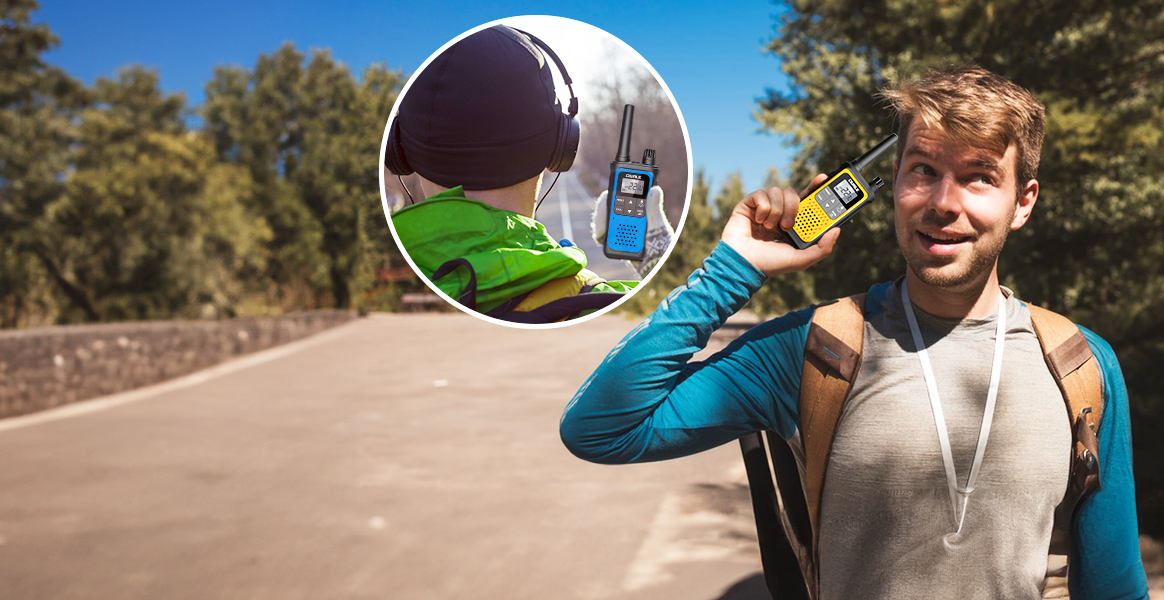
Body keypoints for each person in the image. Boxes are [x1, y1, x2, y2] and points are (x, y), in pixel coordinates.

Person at [559, 65, 1147, 599]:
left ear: (1023, 202)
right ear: (893, 183)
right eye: (923, 170)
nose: (943, 202)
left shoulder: (1079, 364)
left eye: (977, 177)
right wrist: (732, 270)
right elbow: (604, 429)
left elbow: (1113, 584)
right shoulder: (814, 347)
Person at [384, 25, 670, 323]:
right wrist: (654, 253)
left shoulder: (392, 278)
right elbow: (678, 324)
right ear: (559, 148)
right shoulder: (609, 309)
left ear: (400, 151)